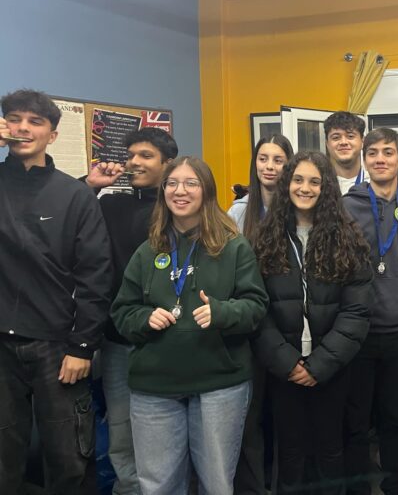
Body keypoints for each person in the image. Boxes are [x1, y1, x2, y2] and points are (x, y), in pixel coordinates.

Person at [111, 156, 268, 495]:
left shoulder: (233, 247)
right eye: (172, 183)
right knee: (158, 486)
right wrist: (144, 318)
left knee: (217, 484)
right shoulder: (148, 250)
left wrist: (222, 313)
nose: (179, 191)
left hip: (219, 383)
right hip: (155, 385)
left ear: (206, 191)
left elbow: (256, 306)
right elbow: (122, 311)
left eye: (190, 183)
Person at [0, 89, 113, 493]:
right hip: (1, 343)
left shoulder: (75, 195)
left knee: (69, 458)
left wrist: (83, 346)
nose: (23, 128)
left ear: (52, 134)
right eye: (14, 119)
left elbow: (96, 275)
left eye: (35, 122)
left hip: (58, 346)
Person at [253, 152, 372, 495]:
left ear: (326, 188)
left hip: (331, 367)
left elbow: (356, 312)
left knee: (330, 451)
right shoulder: (265, 238)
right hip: (284, 368)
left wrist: (319, 364)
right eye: (298, 180)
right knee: (289, 453)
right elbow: (257, 309)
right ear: (287, 184)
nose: (305, 188)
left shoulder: (348, 238)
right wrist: (287, 362)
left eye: (314, 182)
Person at [84, 127, 179, 495]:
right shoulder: (110, 205)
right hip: (118, 339)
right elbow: (64, 210)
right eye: (131, 155)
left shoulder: (180, 208)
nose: (135, 162)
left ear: (167, 163)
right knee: (121, 428)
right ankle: (129, 490)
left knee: (165, 427)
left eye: (146, 155)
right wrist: (90, 185)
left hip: (168, 339)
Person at [342, 128, 398, 495]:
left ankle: (397, 486)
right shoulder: (346, 207)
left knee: (396, 419)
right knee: (356, 421)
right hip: (357, 331)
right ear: (364, 160)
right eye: (373, 152)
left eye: (388, 152)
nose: (380, 159)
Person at [230, 134, 294, 495]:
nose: (269, 167)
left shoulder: (299, 208)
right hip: (251, 327)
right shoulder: (238, 212)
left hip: (289, 327)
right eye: (263, 159)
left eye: (278, 160)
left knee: (286, 416)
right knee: (250, 417)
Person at [323, 111, 368, 195]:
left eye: (350, 136)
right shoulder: (319, 184)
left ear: (363, 141)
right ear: (327, 144)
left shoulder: (375, 183)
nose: (343, 142)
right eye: (336, 137)